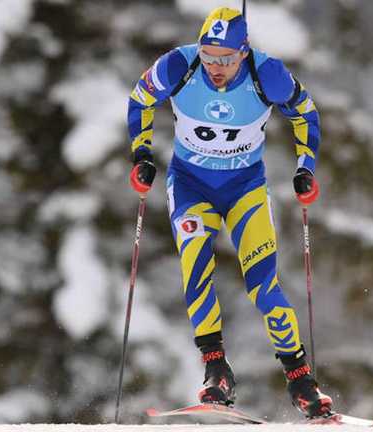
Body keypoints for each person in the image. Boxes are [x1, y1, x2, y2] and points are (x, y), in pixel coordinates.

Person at [126, 6, 332, 418]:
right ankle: (216, 371)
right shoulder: (177, 66)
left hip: (245, 188)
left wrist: (305, 168)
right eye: (208, 56)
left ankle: (301, 380)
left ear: (243, 52)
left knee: (263, 284)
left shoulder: (267, 74)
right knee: (195, 269)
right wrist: (142, 154)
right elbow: (140, 100)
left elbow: (305, 112)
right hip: (189, 186)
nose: (215, 67)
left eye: (225, 58)